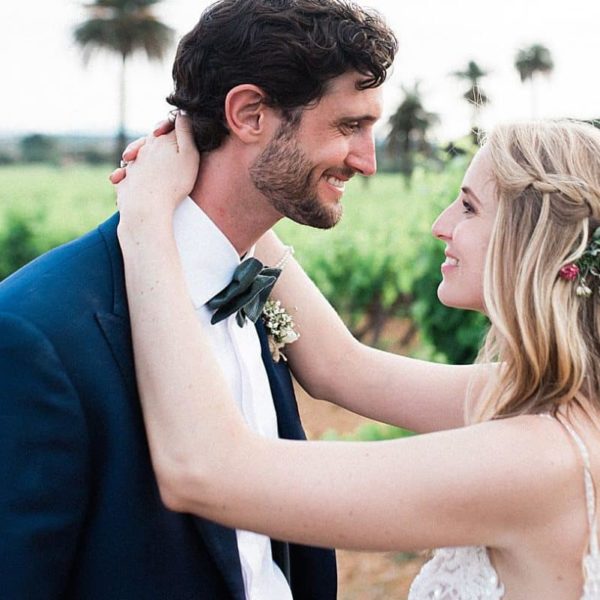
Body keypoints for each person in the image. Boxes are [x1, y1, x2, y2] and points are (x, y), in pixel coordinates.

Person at [0, 0, 397, 598]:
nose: (367, 162)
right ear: (249, 113)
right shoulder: (35, 332)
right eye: (349, 127)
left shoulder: (256, 280)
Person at [115, 117, 600, 599]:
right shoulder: (563, 400)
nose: (441, 225)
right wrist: (242, 187)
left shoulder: (537, 460)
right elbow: (342, 368)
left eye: (469, 208)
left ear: (539, 242)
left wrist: (146, 221)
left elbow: (206, 471)